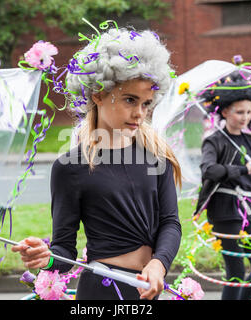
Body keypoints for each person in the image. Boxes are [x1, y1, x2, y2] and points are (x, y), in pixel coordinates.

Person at [12, 26, 183, 300]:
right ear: (98, 94)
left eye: (146, 104)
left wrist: (158, 264)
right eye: (130, 100)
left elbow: (170, 223)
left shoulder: (157, 157)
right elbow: (65, 253)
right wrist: (46, 258)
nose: (139, 113)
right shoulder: (70, 167)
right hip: (102, 291)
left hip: (147, 289)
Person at [193, 77, 251, 300]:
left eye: (249, 112)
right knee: (236, 272)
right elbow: (209, 170)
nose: (245, 117)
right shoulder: (215, 141)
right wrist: (241, 169)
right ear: (226, 112)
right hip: (224, 211)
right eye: (240, 112)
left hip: (247, 210)